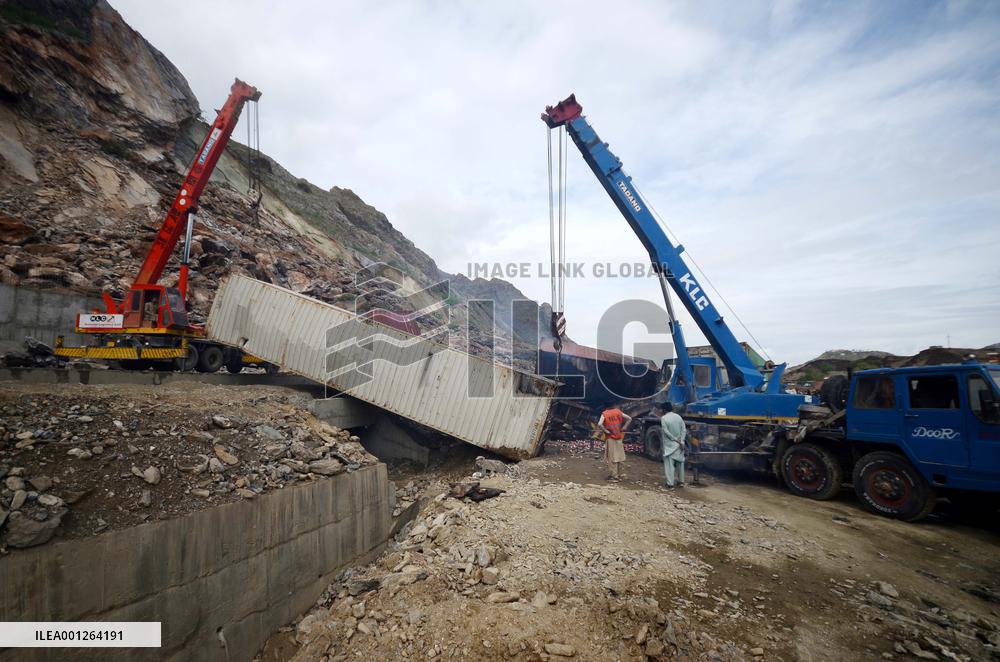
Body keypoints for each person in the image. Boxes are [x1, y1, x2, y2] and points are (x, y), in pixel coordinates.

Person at [598, 406, 632, 480]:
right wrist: (625, 427)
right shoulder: (618, 412)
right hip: (618, 437)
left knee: (611, 457)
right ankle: (619, 474)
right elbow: (629, 418)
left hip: (610, 437)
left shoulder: (604, 413)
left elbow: (599, 424)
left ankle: (614, 475)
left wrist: (605, 431)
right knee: (619, 456)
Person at [659, 402, 686, 488]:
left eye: (661, 409)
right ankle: (681, 481)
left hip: (670, 445)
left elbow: (666, 431)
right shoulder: (678, 417)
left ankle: (670, 483)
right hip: (679, 445)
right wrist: (681, 441)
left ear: (664, 410)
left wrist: (674, 439)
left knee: (669, 465)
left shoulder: (664, 418)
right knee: (680, 463)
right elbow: (684, 429)